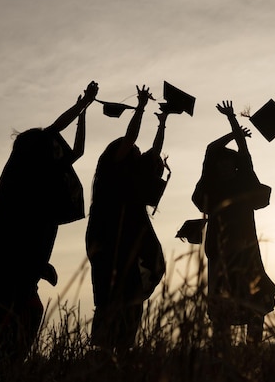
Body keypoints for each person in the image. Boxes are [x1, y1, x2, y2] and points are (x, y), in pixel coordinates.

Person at [0, 81, 99, 363]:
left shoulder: (39, 177)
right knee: (20, 321)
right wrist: (82, 103)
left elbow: (77, 152)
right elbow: (54, 129)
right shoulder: (22, 175)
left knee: (22, 323)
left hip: (14, 266)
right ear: (35, 150)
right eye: (49, 146)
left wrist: (85, 113)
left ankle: (3, 369)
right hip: (2, 265)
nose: (55, 151)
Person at [86, 85, 169, 352]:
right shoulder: (111, 172)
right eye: (131, 154)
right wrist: (141, 107)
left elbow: (154, 154)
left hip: (130, 241)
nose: (135, 155)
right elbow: (130, 139)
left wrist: (163, 124)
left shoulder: (130, 181)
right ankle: (103, 352)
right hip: (109, 240)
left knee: (132, 300)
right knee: (111, 299)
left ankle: (122, 351)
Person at [192, 101, 275, 349]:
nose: (224, 165)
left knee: (255, 304)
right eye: (220, 163)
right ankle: (222, 355)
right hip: (220, 253)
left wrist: (235, 125)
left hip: (247, 252)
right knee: (221, 308)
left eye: (228, 162)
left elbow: (244, 152)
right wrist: (233, 130)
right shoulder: (212, 187)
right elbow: (211, 149)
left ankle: (253, 351)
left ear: (235, 165)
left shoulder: (244, 182)